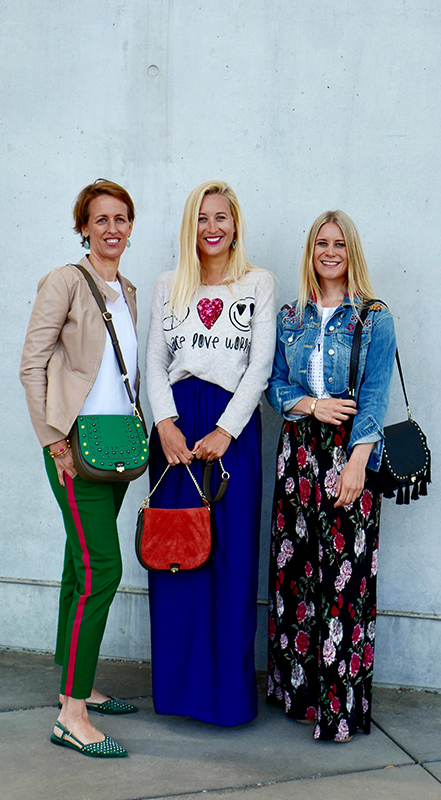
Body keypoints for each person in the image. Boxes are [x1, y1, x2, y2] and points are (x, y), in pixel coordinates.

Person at [145, 180, 276, 726]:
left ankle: (226, 698)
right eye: (202, 218)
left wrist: (225, 431)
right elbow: (155, 363)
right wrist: (164, 425)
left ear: (235, 224)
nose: (212, 227)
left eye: (221, 217)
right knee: (178, 555)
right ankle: (178, 692)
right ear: (190, 227)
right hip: (176, 435)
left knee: (229, 556)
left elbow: (260, 365)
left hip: (230, 433)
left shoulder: (257, 283)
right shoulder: (169, 284)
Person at [19, 179, 142, 758]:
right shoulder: (65, 281)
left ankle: (79, 683)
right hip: (73, 447)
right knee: (102, 570)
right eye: (101, 219)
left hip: (113, 447)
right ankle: (71, 715)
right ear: (84, 227)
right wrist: (52, 442)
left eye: (121, 219)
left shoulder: (129, 291)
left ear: (130, 227)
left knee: (80, 564)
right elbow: (32, 364)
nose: (112, 229)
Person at [265, 210, 396, 742]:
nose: (330, 252)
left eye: (340, 244)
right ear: (311, 252)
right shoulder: (291, 316)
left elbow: (375, 398)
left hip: (349, 452)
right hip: (297, 452)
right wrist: (311, 405)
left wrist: (358, 464)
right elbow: (275, 385)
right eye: (322, 243)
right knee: (295, 574)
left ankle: (339, 707)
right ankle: (300, 696)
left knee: (344, 580)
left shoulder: (374, 319)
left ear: (351, 251)